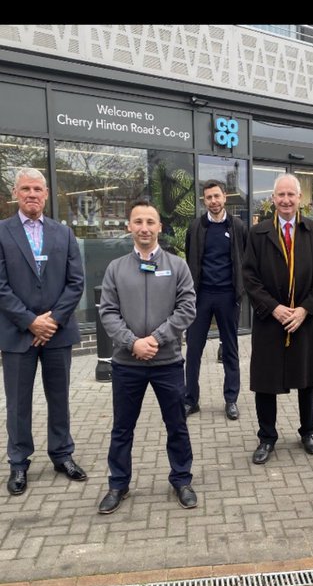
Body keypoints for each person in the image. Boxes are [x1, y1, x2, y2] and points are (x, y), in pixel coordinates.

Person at [98, 199, 197, 514]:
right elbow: (109, 313)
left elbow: (187, 309)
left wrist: (155, 338)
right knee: (122, 428)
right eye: (138, 221)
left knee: (177, 424)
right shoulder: (116, 269)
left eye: (150, 222)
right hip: (127, 364)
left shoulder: (177, 266)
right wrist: (132, 342)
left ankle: (181, 479)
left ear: (159, 227)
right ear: (129, 226)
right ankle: (118, 485)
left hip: (167, 362)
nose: (144, 228)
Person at [0, 167, 86, 496]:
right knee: (18, 403)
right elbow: (1, 286)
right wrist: (29, 321)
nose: (32, 194)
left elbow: (75, 282)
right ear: (16, 194)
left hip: (57, 334)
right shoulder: (2, 232)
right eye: (26, 189)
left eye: (38, 188)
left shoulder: (62, 234)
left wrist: (52, 321)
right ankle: (19, 462)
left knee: (59, 398)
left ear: (47, 194)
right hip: (17, 333)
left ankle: (62, 455)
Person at [242, 173, 313, 463]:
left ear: (300, 198)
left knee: (307, 378)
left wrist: (304, 310)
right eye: (281, 195)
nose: (286, 200)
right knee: (265, 380)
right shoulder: (258, 234)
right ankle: (267, 437)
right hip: (271, 319)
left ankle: (308, 432)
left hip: (304, 319)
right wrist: (273, 308)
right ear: (273, 198)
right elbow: (250, 278)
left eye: (291, 195)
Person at [184, 180, 247, 419]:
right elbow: (191, 257)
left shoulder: (238, 226)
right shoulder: (196, 227)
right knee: (193, 350)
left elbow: (246, 259)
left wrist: (241, 291)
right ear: (204, 201)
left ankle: (231, 400)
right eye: (209, 197)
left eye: (217, 196)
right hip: (201, 296)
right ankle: (191, 400)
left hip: (228, 296)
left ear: (225, 197)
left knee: (230, 349)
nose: (213, 201)